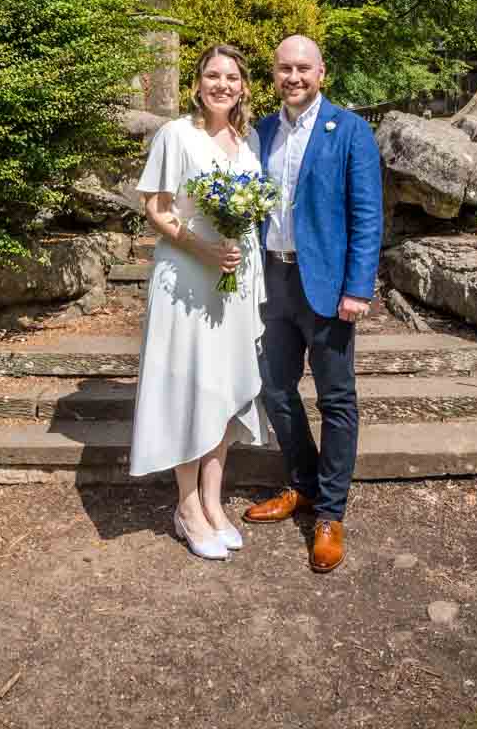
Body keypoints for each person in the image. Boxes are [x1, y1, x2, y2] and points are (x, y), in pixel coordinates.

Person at [243, 34, 383, 573]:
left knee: (336, 399)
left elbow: (367, 216)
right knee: (276, 390)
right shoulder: (259, 133)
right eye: (284, 69)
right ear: (274, 75)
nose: (293, 77)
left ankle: (329, 511)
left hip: (325, 286)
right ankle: (300, 485)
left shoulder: (349, 130)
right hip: (271, 284)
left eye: (303, 68)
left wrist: (358, 288)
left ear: (321, 73)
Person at [128, 44, 268, 560]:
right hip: (186, 278)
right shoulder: (176, 134)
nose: (222, 85)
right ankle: (186, 506)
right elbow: (155, 208)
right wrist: (203, 248)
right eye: (213, 75)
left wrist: (231, 256)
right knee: (188, 386)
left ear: (243, 87)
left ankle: (214, 501)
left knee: (222, 387)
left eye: (231, 77)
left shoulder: (247, 140)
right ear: (197, 83)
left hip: (232, 282)